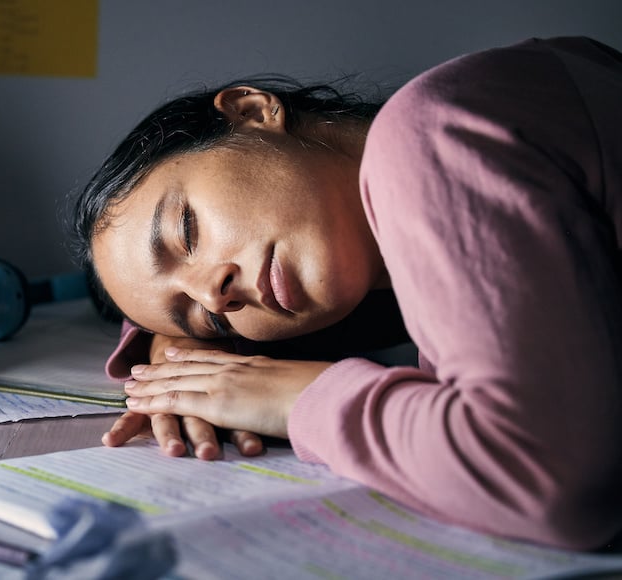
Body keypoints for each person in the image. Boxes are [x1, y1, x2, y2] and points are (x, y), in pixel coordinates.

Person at [64, 36, 622, 551]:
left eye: (186, 230)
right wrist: (180, 352)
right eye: (209, 320)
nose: (216, 295)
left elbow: (554, 483)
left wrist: (293, 398)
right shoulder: (395, 240)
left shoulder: (427, 133)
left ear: (253, 112)